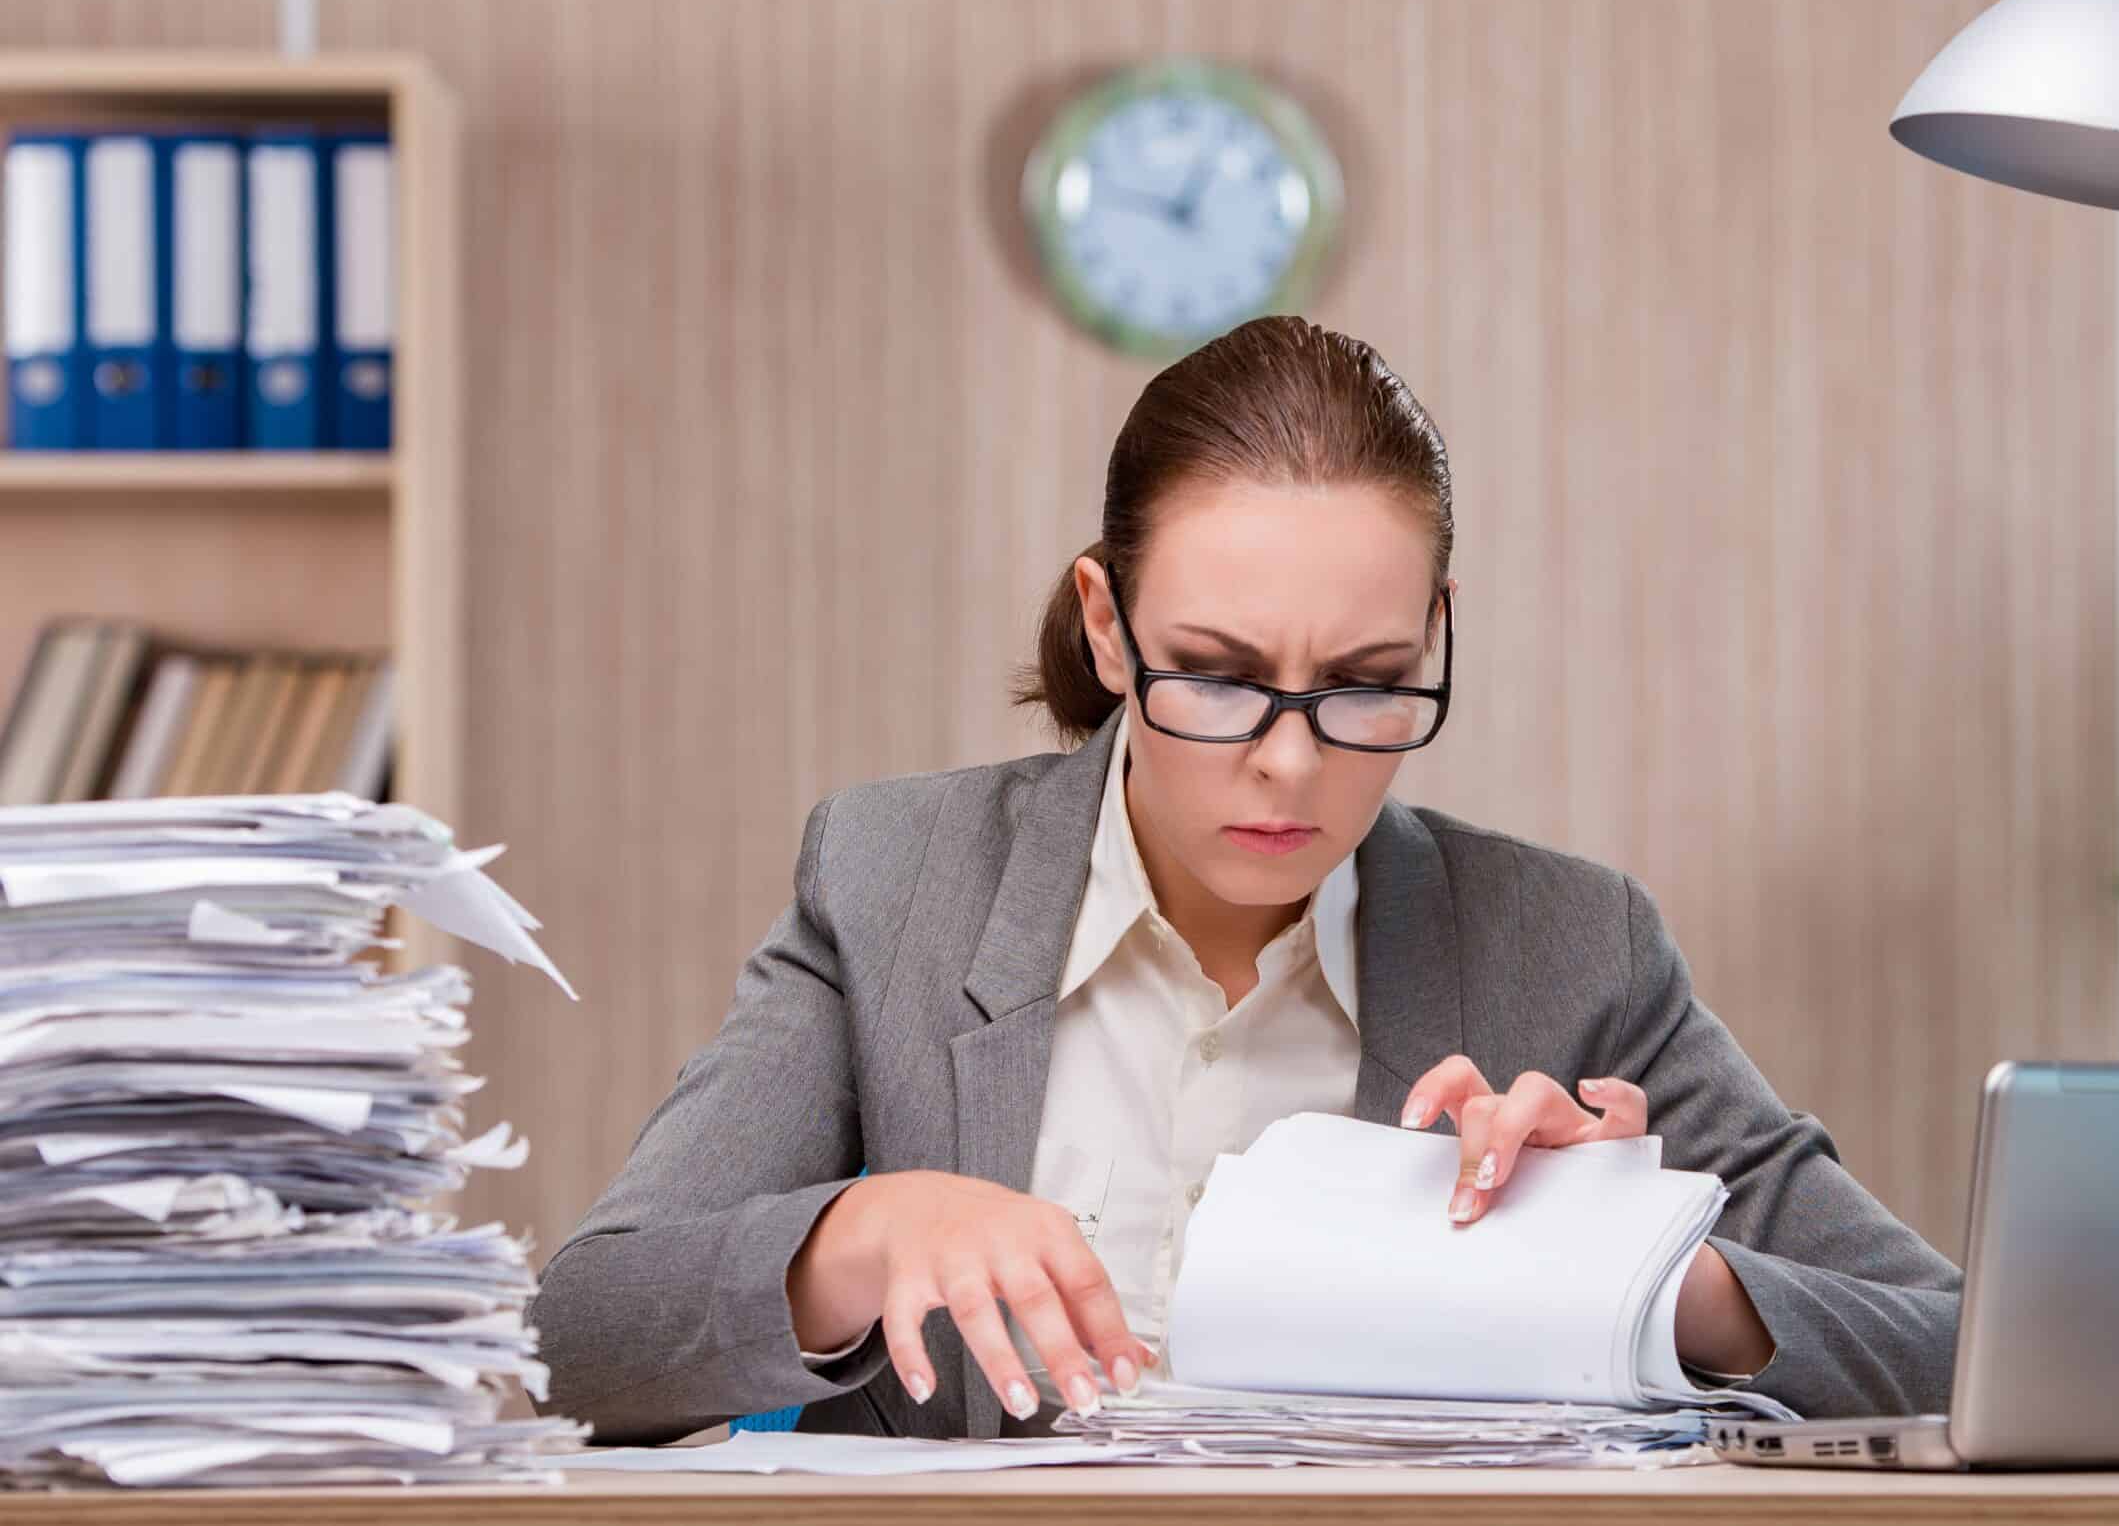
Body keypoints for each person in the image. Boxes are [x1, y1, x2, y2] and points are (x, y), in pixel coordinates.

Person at [529, 316, 1959, 1446]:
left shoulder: (1571, 946)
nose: (1289, 764)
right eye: (1216, 675)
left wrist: (1640, 1279)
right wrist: (868, 1229)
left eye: (1367, 684)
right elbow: (578, 1333)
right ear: (1106, 622)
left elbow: (1963, 1344)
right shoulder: (892, 879)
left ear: (1435, 635)